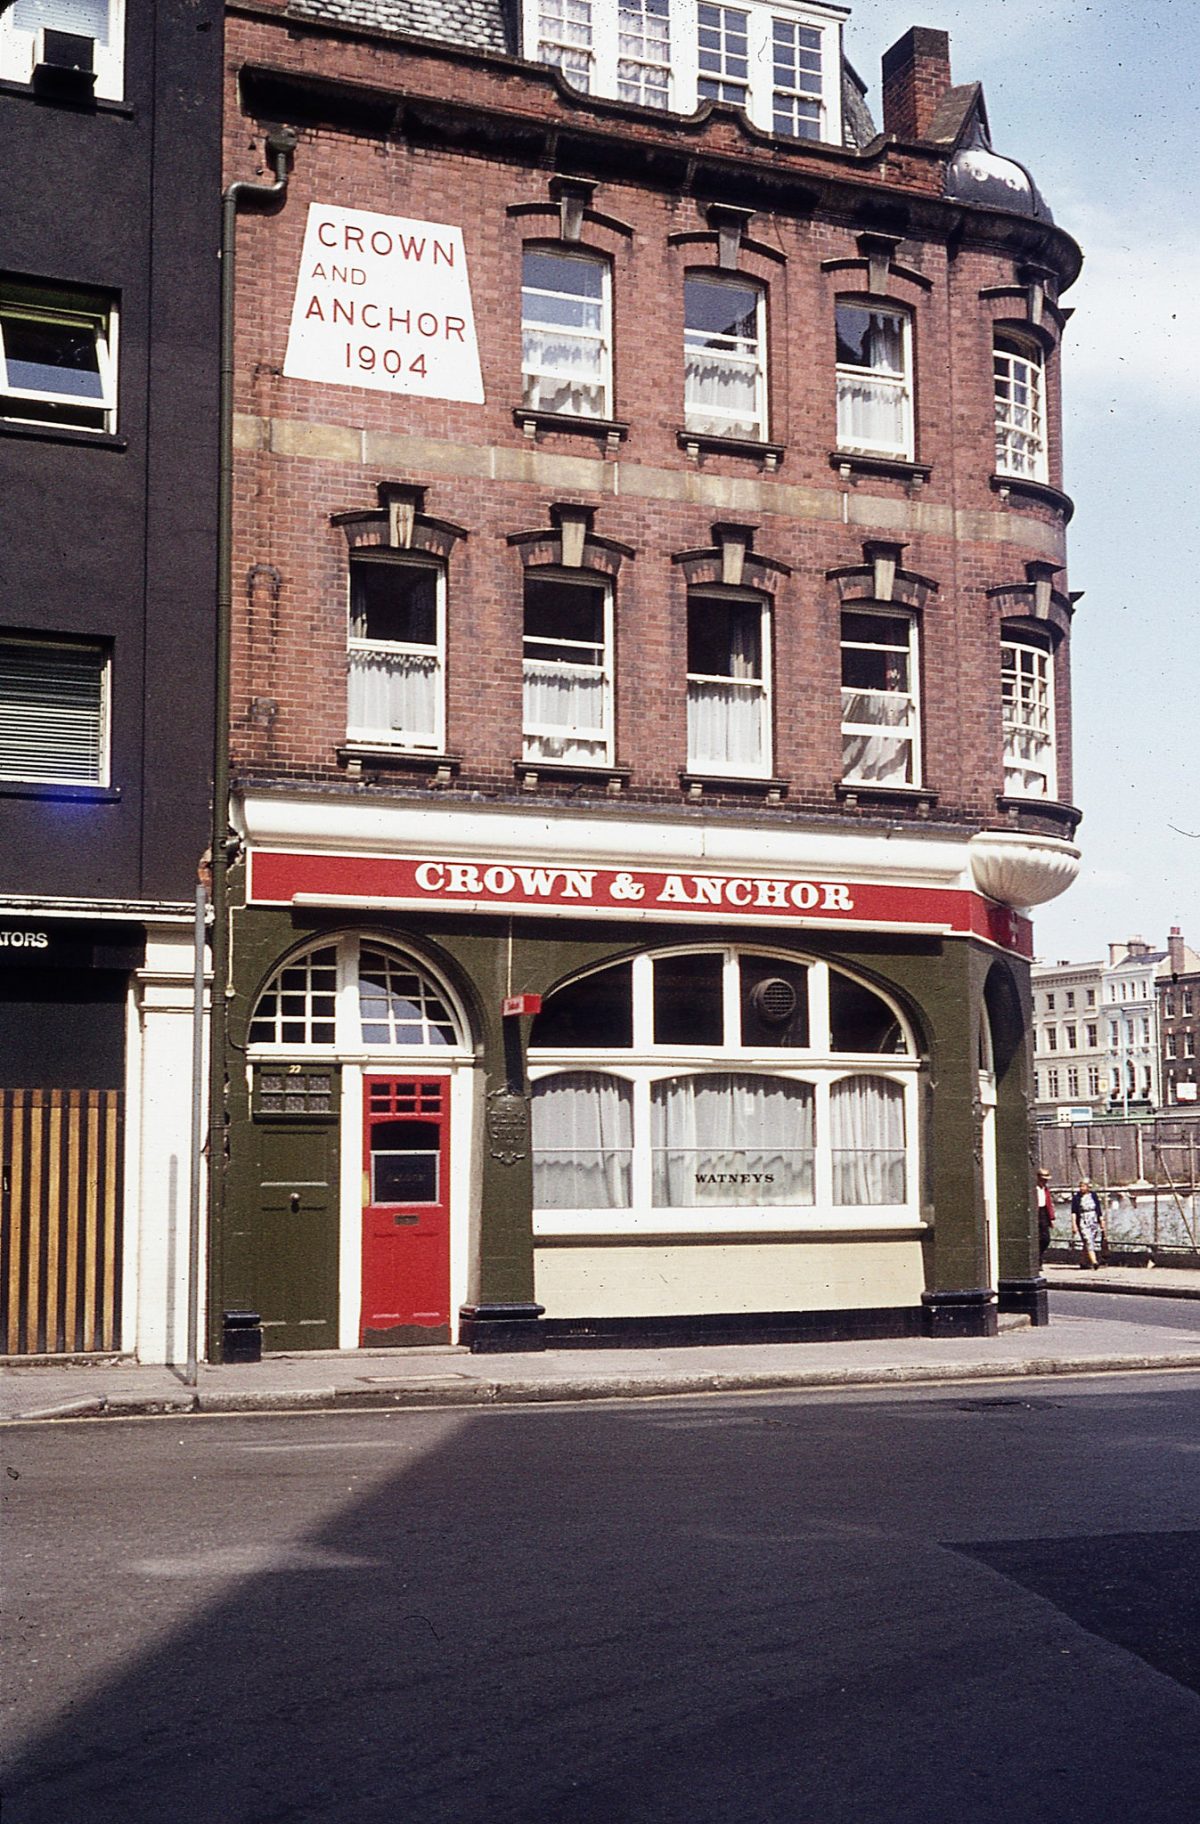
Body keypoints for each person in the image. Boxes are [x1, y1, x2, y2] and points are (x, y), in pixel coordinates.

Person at [1071, 1177, 1107, 1269]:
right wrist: (1074, 1224)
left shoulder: (1093, 1195)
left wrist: (1101, 1221)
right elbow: (1074, 1212)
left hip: (1093, 1219)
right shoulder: (1076, 1197)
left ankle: (1083, 1262)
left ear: (1088, 1187)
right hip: (1083, 1220)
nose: (1081, 1188)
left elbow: (1098, 1209)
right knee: (1088, 1240)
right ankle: (1094, 1262)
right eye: (1080, 1186)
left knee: (1090, 1241)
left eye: (1083, 1186)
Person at [1036, 1168, 1056, 1260]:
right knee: (1037, 1237)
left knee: (1046, 1239)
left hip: (1043, 1212)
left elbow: (1049, 1204)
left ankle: (1039, 1255)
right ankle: (1038, 1258)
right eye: (1042, 1180)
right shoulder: (1034, 1189)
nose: (1044, 1182)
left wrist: (1051, 1218)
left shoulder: (1046, 1189)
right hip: (1036, 1212)